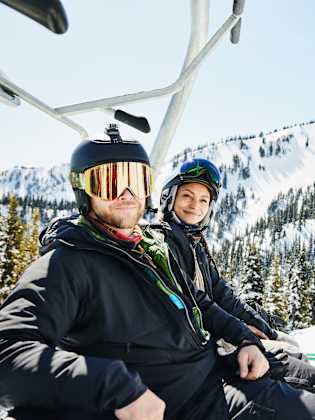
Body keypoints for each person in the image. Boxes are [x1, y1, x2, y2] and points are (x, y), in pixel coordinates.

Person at [0, 127, 315, 420]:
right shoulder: (68, 262)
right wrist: (113, 386)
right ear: (85, 190)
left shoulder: (150, 249)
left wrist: (245, 337)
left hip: (216, 373)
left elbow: (201, 302)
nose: (125, 193)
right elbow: (8, 352)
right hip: (182, 402)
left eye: (135, 181)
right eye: (109, 182)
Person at [158, 156, 315, 390]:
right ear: (170, 198)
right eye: (187, 196)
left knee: (297, 358)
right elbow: (191, 305)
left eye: (203, 200)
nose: (195, 205)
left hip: (223, 338)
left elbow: (226, 297)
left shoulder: (195, 243)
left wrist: (268, 331)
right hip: (205, 350)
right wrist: (240, 335)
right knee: (305, 376)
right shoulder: (164, 243)